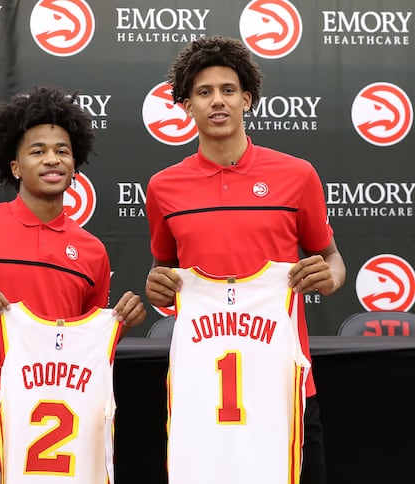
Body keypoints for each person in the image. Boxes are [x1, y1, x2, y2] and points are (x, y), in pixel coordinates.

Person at [0, 85, 146, 484]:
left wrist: (120, 322)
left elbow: (81, 347)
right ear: (16, 166)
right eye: (37, 150)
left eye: (62, 150)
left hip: (59, 445)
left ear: (76, 164)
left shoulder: (91, 251)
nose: (52, 159)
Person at [144, 35, 345, 484]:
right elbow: (164, 271)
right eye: (203, 92)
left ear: (247, 99)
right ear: (187, 106)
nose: (217, 101)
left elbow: (330, 257)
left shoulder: (297, 175)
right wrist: (155, 286)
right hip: (205, 391)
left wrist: (329, 277)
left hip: (285, 383)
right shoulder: (163, 187)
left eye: (228, 90)